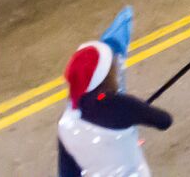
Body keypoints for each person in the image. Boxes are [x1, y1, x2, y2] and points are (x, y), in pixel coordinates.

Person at [56, 36, 173, 177]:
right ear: (107, 75)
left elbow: (68, 173)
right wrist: (136, 109)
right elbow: (164, 121)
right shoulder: (118, 104)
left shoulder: (66, 124)